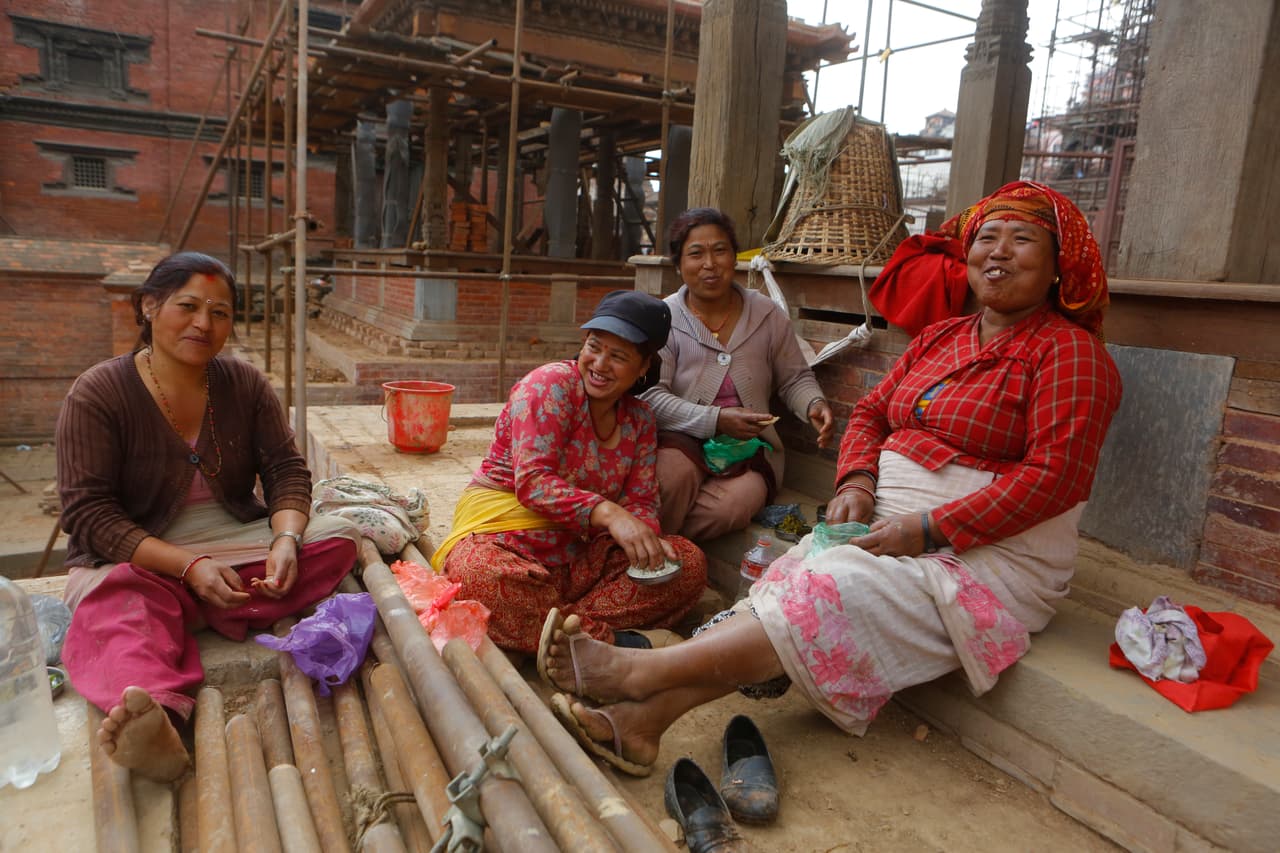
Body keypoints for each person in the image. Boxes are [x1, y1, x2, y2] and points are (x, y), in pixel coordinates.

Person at [539, 181, 1123, 774]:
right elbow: (872, 414)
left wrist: (925, 529)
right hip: (888, 527)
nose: (997, 253)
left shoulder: (1070, 355)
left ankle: (637, 673)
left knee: (828, 580)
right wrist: (856, 485)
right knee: (794, 575)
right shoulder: (941, 338)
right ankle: (639, 727)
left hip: (991, 554)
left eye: (1021, 240)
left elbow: (1056, 479)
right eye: (986, 239)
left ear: (1058, 268)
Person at [57, 252, 359, 782]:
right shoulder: (98, 392)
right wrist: (187, 566)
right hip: (138, 554)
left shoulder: (243, 383)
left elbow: (287, 470)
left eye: (220, 313)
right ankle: (159, 719)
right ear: (149, 306)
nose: (204, 323)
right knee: (119, 600)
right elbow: (89, 514)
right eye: (188, 306)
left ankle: (184, 609)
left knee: (340, 539)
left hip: (233, 538)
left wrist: (285, 539)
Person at [432, 290, 708, 654]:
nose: (600, 363)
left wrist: (643, 541)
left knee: (686, 563)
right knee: (478, 576)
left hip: (579, 559)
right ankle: (613, 642)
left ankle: (552, 633)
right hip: (506, 542)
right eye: (595, 346)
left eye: (619, 356)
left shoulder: (639, 420)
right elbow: (532, 482)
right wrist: (609, 513)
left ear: (643, 367)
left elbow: (641, 502)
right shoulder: (550, 386)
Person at [642, 208, 835, 540]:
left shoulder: (766, 314)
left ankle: (669, 547)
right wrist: (715, 419)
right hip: (680, 439)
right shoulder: (664, 319)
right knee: (669, 482)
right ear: (678, 265)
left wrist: (813, 404)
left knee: (727, 509)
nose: (710, 263)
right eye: (696, 254)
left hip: (750, 446)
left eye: (720, 250)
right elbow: (652, 398)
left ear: (735, 257)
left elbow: (794, 377)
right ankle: (651, 556)